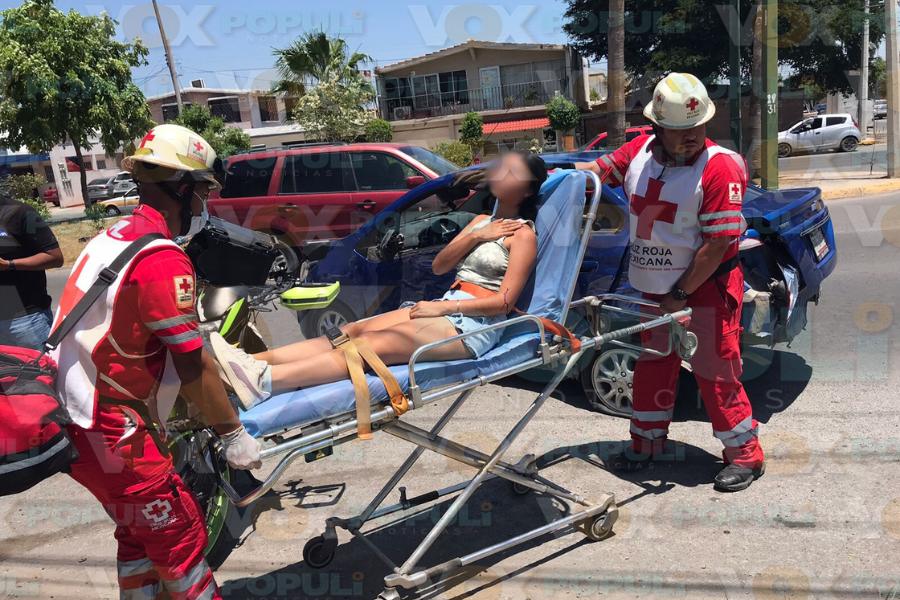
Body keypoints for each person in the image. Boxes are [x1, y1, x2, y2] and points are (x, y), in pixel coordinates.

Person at [52, 124, 261, 599]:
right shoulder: (161, 259)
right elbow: (192, 364)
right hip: (113, 428)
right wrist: (233, 435)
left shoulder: (116, 235)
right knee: (180, 540)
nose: (204, 204)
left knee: (138, 535)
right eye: (202, 192)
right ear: (181, 188)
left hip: (77, 416)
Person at [210, 151, 547, 409]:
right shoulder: (481, 221)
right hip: (447, 308)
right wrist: (476, 235)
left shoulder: (522, 235)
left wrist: (441, 310)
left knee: (367, 347)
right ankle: (251, 363)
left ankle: (265, 382)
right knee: (350, 331)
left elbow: (505, 301)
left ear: (527, 188)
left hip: (474, 327)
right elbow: (441, 267)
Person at [575, 72, 765, 492]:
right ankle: (646, 445)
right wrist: (543, 180)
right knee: (653, 368)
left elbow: (717, 245)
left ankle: (746, 457)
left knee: (715, 372)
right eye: (681, 130)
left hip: (705, 288)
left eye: (698, 127)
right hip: (655, 292)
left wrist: (679, 296)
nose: (692, 137)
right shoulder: (639, 152)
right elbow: (591, 174)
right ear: (659, 128)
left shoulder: (721, 167)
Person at [0, 191, 64, 349]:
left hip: (27, 320)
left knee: (40, 372)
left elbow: (55, 257)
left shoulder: (21, 212)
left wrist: (8, 265)